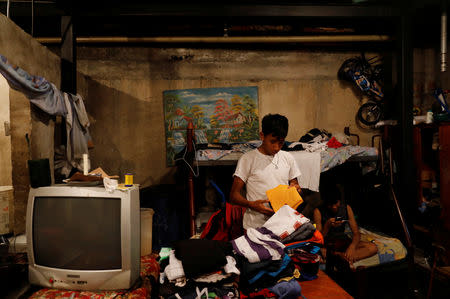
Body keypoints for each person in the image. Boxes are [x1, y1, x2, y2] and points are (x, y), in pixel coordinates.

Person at [229, 113, 302, 230]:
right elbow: (234, 196)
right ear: (262, 136)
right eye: (272, 141)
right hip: (255, 226)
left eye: (281, 143)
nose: (277, 147)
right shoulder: (248, 159)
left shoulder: (288, 158)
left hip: (282, 225)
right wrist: (252, 205)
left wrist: (295, 189)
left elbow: (295, 185)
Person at [313, 183, 378, 266]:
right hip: (328, 245)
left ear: (339, 200)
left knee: (373, 248)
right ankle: (341, 258)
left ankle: (342, 258)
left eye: (336, 203)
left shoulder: (346, 208)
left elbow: (356, 233)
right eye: (330, 205)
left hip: (342, 242)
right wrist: (327, 225)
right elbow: (318, 240)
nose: (334, 207)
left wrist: (352, 247)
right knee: (319, 252)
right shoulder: (318, 211)